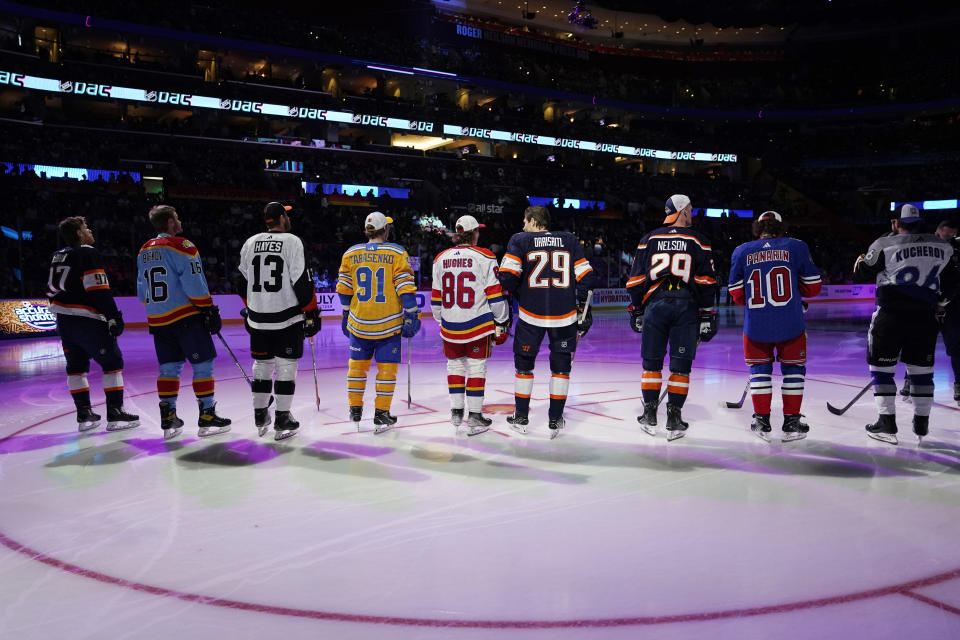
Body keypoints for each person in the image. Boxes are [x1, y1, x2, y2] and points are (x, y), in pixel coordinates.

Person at [853, 204, 955, 444]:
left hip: (891, 315)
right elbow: (951, 282)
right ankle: (921, 423)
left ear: (895, 223)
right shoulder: (943, 246)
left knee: (882, 369)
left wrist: (859, 260)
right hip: (924, 318)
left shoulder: (884, 244)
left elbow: (861, 274)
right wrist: (940, 302)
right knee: (922, 372)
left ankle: (886, 423)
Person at [498, 205, 596, 439]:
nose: (523, 225)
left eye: (524, 220)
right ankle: (555, 419)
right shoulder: (569, 240)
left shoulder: (521, 240)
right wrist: (582, 305)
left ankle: (521, 417)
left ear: (533, 221)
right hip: (565, 315)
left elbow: (506, 277)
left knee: (524, 366)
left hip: (531, 314)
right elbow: (587, 276)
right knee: (561, 368)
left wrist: (523, 294)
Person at [625, 194, 718, 441]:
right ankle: (674, 419)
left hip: (656, 306)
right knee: (680, 367)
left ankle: (649, 415)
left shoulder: (649, 238)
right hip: (685, 306)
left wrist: (636, 308)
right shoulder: (699, 240)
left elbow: (635, 280)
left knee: (651, 364)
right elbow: (706, 281)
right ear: (682, 212)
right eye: (690, 209)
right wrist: (707, 313)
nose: (692, 213)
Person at [137, 204, 231, 440]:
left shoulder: (144, 250)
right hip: (185, 317)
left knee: (169, 367)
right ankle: (207, 414)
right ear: (170, 222)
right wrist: (207, 308)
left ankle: (168, 416)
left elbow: (141, 290)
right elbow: (194, 281)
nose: (179, 221)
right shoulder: (182, 246)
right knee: (203, 363)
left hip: (158, 319)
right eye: (176, 218)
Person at [728, 211, 822, 442]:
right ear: (782, 226)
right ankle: (791, 422)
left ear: (758, 228)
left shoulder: (741, 251)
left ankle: (761, 420)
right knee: (793, 371)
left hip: (756, 325)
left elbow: (736, 293)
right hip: (791, 322)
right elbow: (814, 287)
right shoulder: (797, 247)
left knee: (759, 371)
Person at [47, 216, 139, 432]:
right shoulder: (87, 252)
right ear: (79, 233)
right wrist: (113, 315)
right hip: (88, 320)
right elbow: (97, 288)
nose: (90, 231)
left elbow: (52, 290)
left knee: (76, 368)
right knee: (112, 363)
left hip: (65, 321)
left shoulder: (56, 255)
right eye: (86, 227)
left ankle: (84, 415)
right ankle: (115, 413)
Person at [238, 202, 320, 441]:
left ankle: (260, 414)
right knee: (286, 366)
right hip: (287, 316)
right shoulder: (293, 241)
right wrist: (312, 312)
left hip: (258, 318)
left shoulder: (250, 242)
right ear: (282, 218)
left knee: (261, 366)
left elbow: (240, 281)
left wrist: (250, 307)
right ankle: (283, 417)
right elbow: (302, 281)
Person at [336, 211, 420, 432]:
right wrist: (412, 313)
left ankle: (355, 410)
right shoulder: (397, 252)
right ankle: (381, 414)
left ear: (367, 230)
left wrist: (346, 314)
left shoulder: (350, 253)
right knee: (386, 371)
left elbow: (344, 290)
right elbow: (405, 288)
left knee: (356, 369)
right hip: (388, 324)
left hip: (359, 323)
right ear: (386, 230)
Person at [431, 215, 509, 436]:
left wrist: (442, 320)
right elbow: (495, 295)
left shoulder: (440, 258)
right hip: (477, 323)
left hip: (450, 324)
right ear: (474, 233)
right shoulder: (485, 256)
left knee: (454, 366)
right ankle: (474, 416)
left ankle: (456, 412)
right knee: (476, 367)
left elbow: (436, 298)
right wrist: (502, 321)